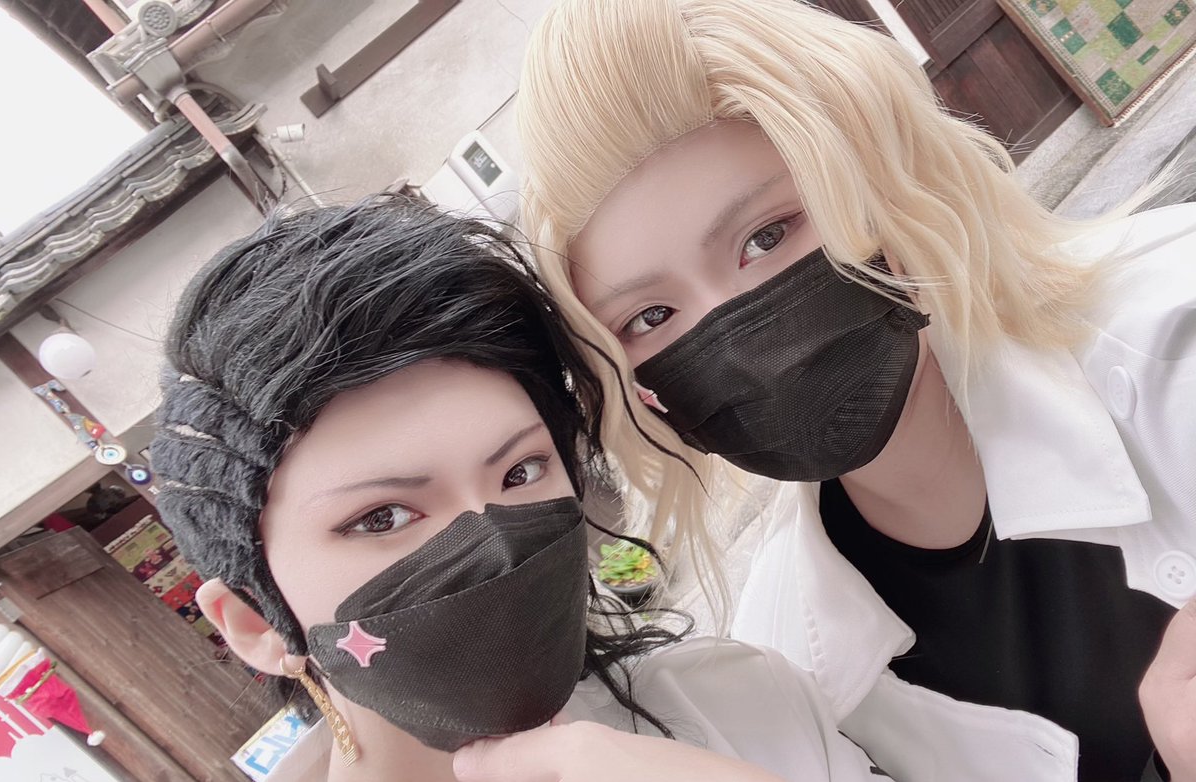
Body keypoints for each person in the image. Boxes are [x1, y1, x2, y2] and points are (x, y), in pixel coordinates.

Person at [512, 1, 1196, 780]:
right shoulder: (785, 669)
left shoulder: (1173, 330)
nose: (744, 347)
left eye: (767, 236)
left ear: (872, 176)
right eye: (651, 317)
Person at [149, 197, 931, 782]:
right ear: (254, 622)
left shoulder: (739, 706)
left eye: (520, 472)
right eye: (382, 516)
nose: (494, 542)